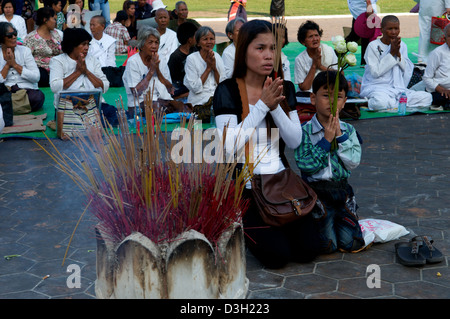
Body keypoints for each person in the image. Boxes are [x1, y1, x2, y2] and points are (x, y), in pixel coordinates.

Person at [213, 19, 318, 269]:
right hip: (248, 186)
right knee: (277, 256)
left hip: (281, 182)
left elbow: (294, 140)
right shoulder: (227, 90)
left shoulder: (285, 87)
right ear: (244, 51)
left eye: (273, 48)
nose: (269, 55)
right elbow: (230, 146)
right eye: (260, 48)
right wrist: (261, 106)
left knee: (309, 249)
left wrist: (276, 106)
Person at [295, 70, 365, 254]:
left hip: (342, 191)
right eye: (326, 95)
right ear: (313, 98)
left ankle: (344, 219)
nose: (332, 102)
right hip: (317, 194)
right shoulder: (304, 131)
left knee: (351, 244)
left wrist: (339, 136)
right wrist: (325, 141)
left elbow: (353, 162)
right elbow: (306, 166)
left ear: (344, 102)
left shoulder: (349, 130)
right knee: (328, 246)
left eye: (338, 97)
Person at [360, 15, 432, 111]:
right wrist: (391, 54)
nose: (394, 32)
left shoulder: (402, 45)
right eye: (390, 29)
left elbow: (406, 70)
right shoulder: (373, 46)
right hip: (377, 87)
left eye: (396, 28)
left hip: (397, 89)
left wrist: (398, 54)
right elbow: (375, 72)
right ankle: (386, 102)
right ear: (382, 30)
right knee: (380, 103)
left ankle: (393, 103)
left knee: (427, 97)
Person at [49, 27, 118, 125]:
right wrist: (78, 72)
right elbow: (55, 87)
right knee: (92, 123)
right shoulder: (58, 61)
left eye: (88, 44)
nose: (87, 48)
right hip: (69, 107)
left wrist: (86, 71)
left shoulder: (92, 60)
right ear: (72, 45)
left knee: (117, 115)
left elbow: (105, 86)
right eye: (83, 44)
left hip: (94, 105)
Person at [122, 26, 173, 117]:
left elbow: (170, 89)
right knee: (156, 109)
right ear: (141, 45)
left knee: (185, 108)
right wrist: (151, 71)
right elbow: (136, 93)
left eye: (156, 43)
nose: (154, 46)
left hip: (160, 101)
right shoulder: (133, 62)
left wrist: (157, 69)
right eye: (150, 42)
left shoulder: (161, 59)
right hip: (138, 105)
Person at [0, 22, 45, 112]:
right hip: (6, 90)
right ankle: (18, 106)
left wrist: (15, 65)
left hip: (26, 89)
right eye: (9, 35)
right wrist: (8, 64)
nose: (14, 37)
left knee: (37, 97)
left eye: (15, 34)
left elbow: (36, 77)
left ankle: (7, 108)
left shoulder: (25, 51)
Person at [184, 26, 226, 107]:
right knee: (198, 119)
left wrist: (214, 69)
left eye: (211, 39)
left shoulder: (217, 57)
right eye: (205, 39)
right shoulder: (191, 59)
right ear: (198, 43)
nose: (209, 42)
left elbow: (222, 85)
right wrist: (208, 68)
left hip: (215, 101)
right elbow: (195, 88)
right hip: (198, 103)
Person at [294, 20, 338, 96]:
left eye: (316, 35)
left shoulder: (329, 51)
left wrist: (321, 66)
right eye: (310, 36)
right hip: (308, 95)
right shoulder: (299, 59)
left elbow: (340, 75)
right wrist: (314, 65)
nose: (315, 39)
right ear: (303, 42)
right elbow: (304, 87)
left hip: (329, 92)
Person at [24, 7, 63, 87]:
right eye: (53, 19)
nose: (55, 22)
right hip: (41, 73)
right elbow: (25, 59)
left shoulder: (56, 34)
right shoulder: (31, 38)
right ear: (45, 20)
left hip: (57, 69)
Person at [168, 21, 198, 99]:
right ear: (190, 40)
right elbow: (173, 82)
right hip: (181, 90)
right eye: (195, 36)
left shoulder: (195, 50)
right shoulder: (175, 57)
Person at [423, 24, 450, 110]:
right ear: (445, 39)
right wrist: (442, 90)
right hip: (439, 91)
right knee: (443, 98)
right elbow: (427, 78)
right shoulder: (438, 53)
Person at [345, 0, 379, 65]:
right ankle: (337, 53)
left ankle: (365, 61)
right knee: (358, 36)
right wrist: (369, 4)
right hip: (363, 8)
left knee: (357, 36)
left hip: (360, 8)